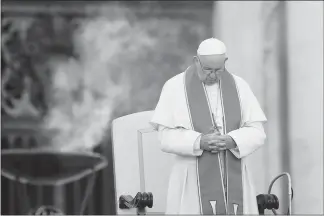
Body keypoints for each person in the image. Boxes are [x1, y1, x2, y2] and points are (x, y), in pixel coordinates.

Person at [150, 38, 267, 215]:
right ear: (196, 61)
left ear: (225, 63)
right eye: (207, 70)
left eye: (218, 70)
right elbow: (165, 137)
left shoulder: (240, 87)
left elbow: (257, 132)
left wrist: (232, 140)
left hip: (234, 177)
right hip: (191, 180)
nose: (212, 75)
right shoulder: (175, 87)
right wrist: (198, 141)